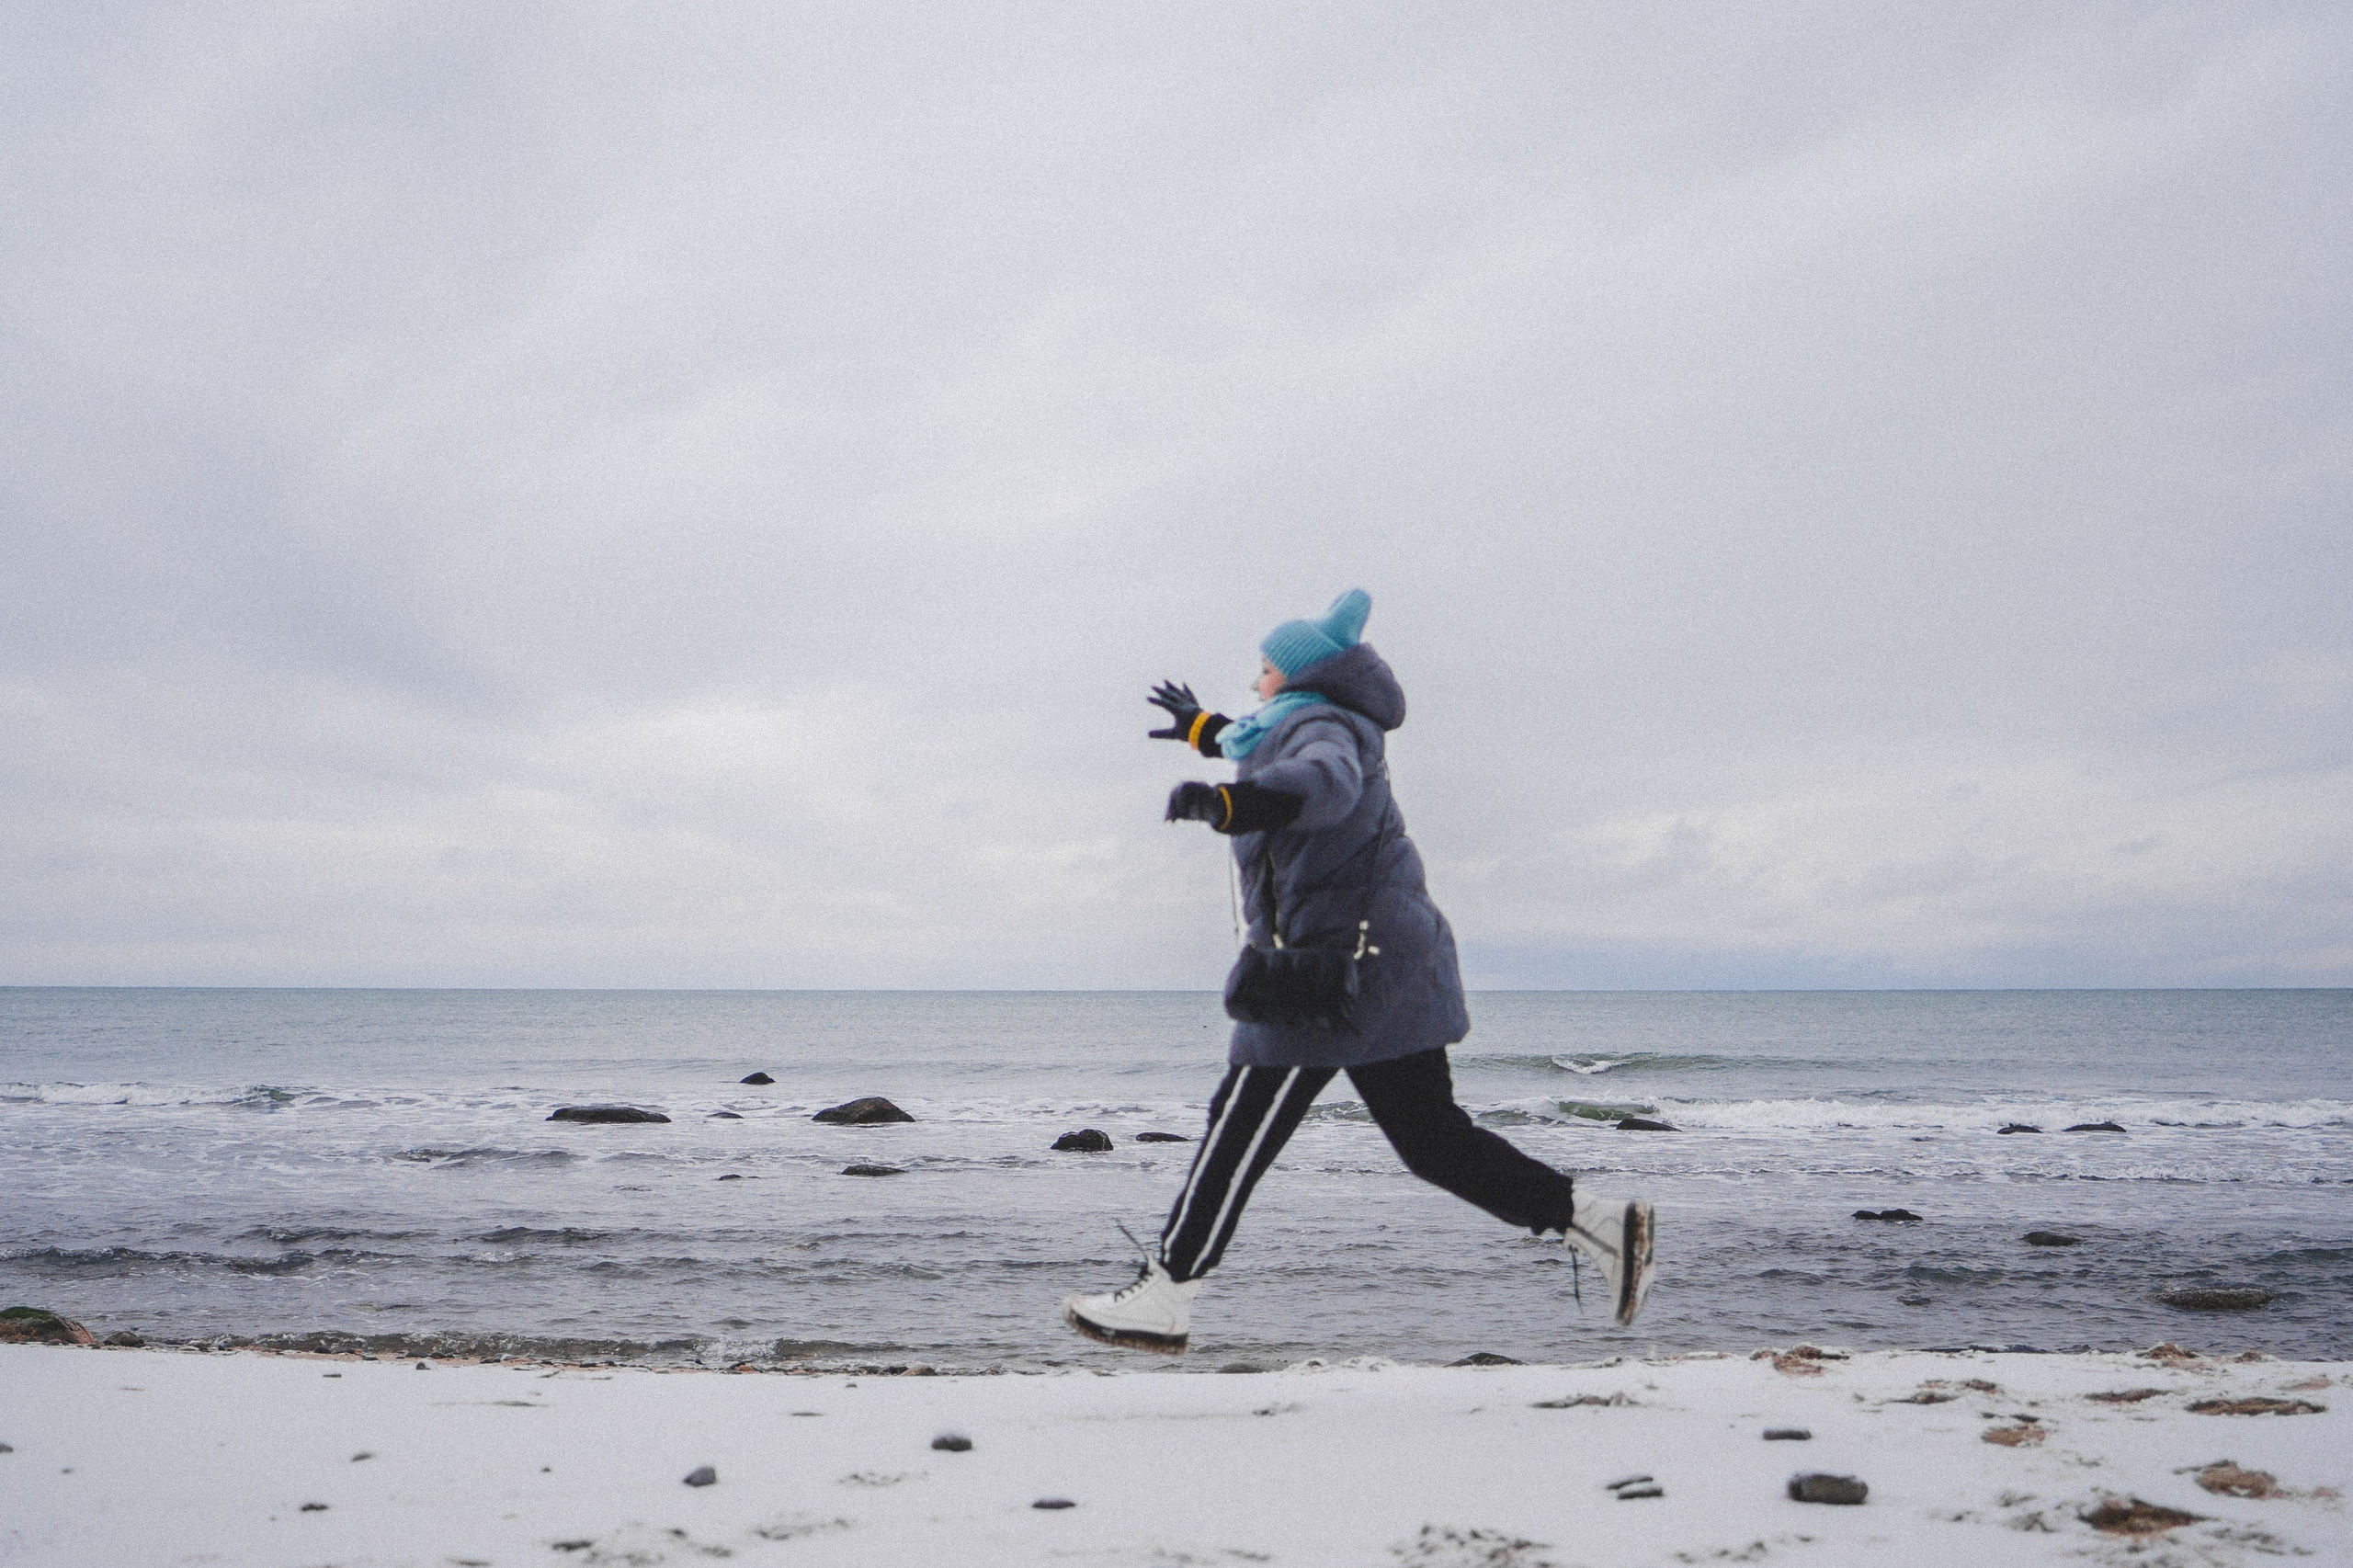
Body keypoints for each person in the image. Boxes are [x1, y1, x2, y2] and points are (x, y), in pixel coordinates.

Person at [1059, 589, 1656, 1354]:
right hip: (1383, 969)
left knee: (1237, 1128)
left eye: (1266, 669)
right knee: (1432, 1141)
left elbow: (1321, 783)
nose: (1255, 682)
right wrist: (1203, 731)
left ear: (1304, 679)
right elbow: (1263, 741)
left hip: (1332, 973)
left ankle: (1168, 1295)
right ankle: (1601, 1223)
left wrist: (1228, 804)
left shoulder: (1325, 729)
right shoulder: (1306, 721)